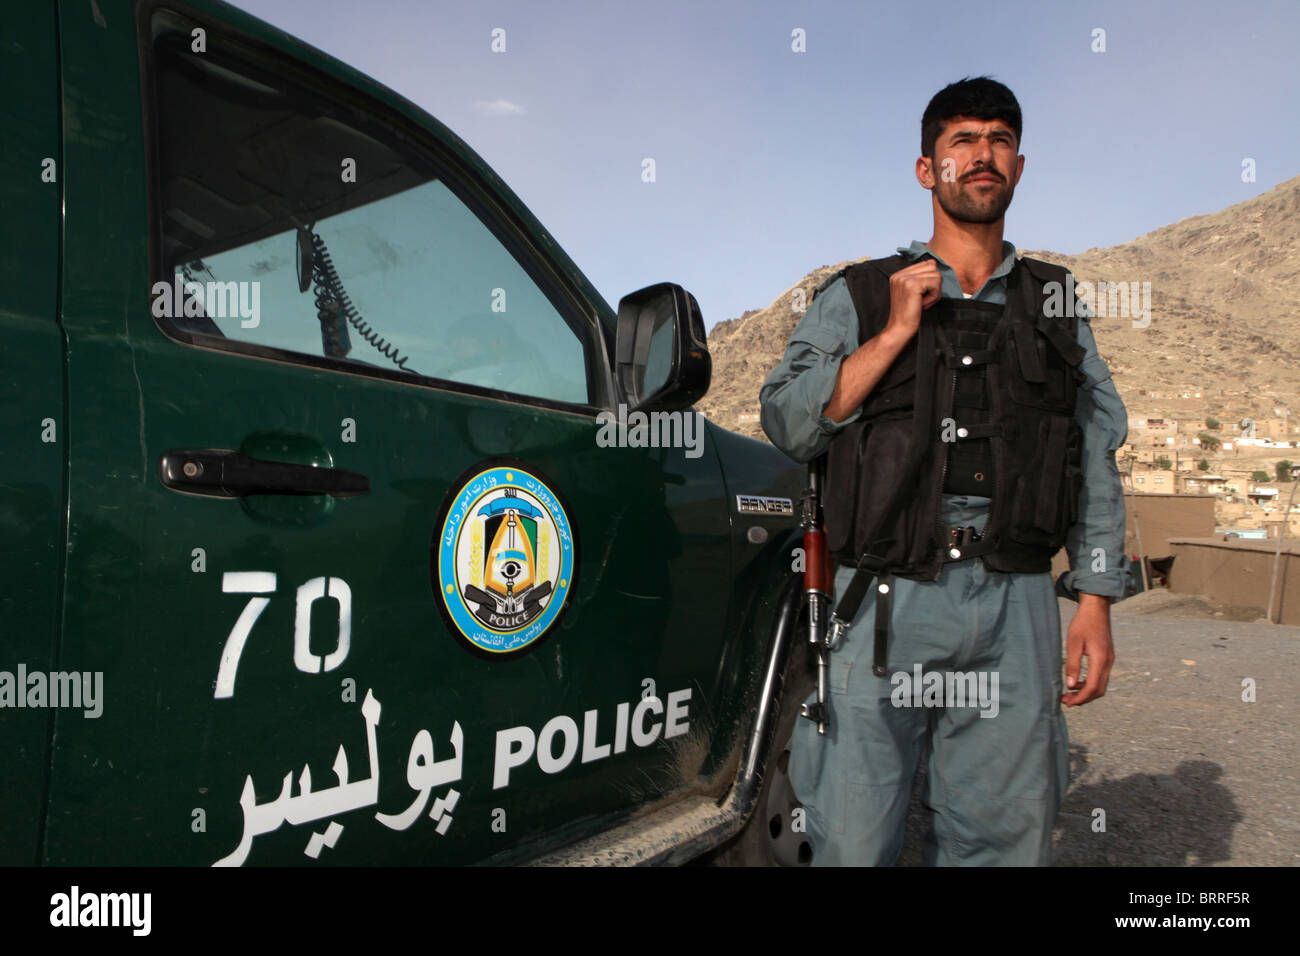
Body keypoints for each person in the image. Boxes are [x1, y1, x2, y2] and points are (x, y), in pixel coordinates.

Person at [759, 76, 1129, 866]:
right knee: (854, 839)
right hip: (882, 601)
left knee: (1003, 837)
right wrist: (893, 334)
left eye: (998, 140)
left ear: (1018, 167)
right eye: (961, 140)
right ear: (928, 170)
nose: (981, 154)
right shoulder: (859, 295)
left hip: (1016, 602)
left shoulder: (1055, 301)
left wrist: (1094, 598)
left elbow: (1093, 448)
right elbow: (789, 423)